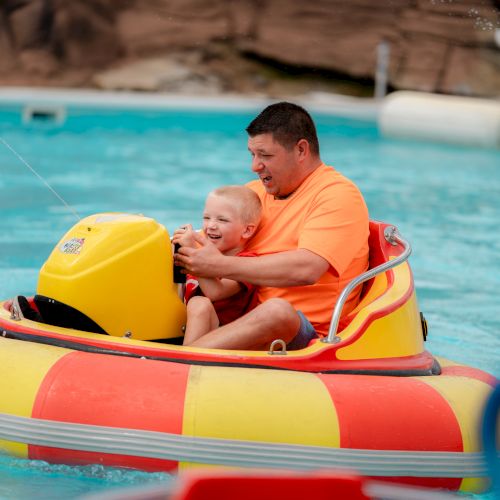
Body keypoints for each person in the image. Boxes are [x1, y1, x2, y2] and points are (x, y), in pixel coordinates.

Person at [174, 101, 369, 350]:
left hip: (307, 335)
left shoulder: (337, 195)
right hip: (241, 318)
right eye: (252, 155)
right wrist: (187, 245)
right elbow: (211, 240)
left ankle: (183, 360)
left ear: (300, 150)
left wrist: (219, 265)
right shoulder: (253, 193)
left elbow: (307, 269)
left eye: (265, 156)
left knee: (276, 311)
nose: (255, 166)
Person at [173, 185, 262, 346]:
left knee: (200, 303)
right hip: (184, 327)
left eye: (222, 220)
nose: (211, 226)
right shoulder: (200, 252)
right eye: (207, 218)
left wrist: (191, 251)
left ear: (247, 231)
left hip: (222, 337)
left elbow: (215, 291)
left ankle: (183, 360)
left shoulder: (248, 262)